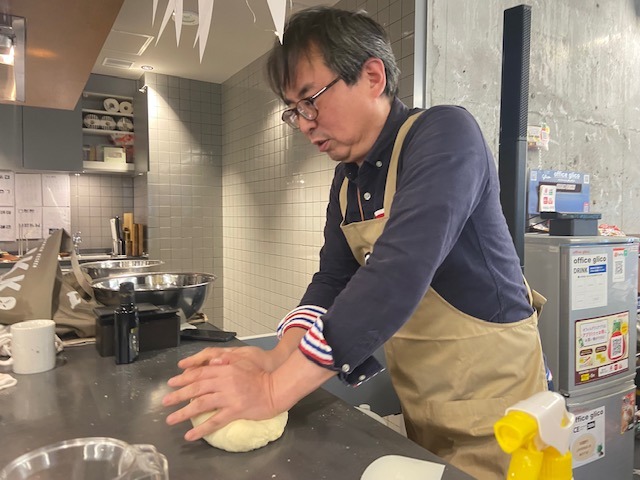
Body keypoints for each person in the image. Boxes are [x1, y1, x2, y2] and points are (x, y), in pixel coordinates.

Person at [163, 6, 548, 478]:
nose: (304, 123)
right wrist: (276, 357)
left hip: (502, 408)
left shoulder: (445, 135)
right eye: (294, 111)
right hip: (426, 405)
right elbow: (332, 280)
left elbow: (396, 274)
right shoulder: (348, 181)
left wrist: (272, 391)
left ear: (372, 76)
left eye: (310, 100)